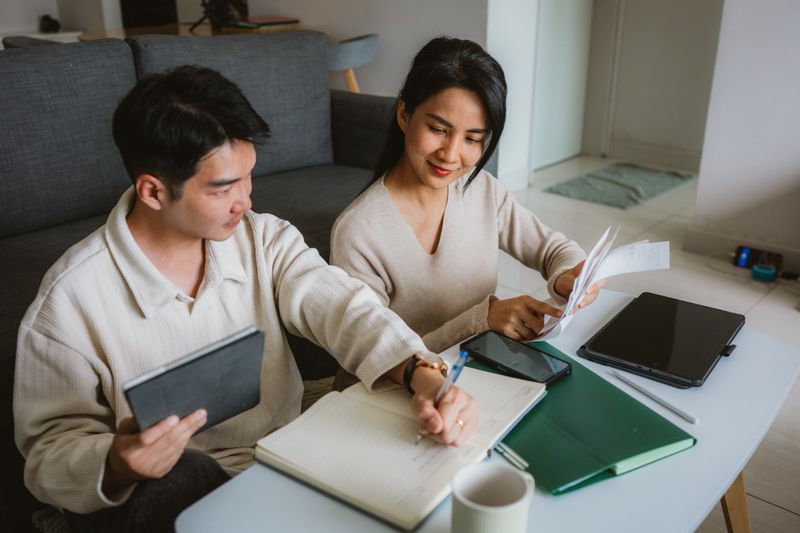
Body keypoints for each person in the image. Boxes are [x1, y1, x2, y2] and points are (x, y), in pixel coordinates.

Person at [13, 65, 477, 533]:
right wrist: (117, 461)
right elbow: (47, 453)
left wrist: (423, 372)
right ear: (153, 191)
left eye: (249, 177)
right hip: (173, 495)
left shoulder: (263, 238)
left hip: (283, 456)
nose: (246, 201)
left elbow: (344, 307)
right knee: (177, 483)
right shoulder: (68, 303)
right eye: (223, 188)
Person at [330, 37, 603, 354]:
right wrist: (483, 320)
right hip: (393, 393)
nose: (450, 154)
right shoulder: (358, 231)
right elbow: (379, 356)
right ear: (404, 114)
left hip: (473, 370)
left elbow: (554, 249)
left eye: (472, 138)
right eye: (438, 129)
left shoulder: (483, 191)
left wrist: (565, 278)